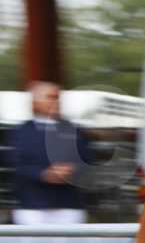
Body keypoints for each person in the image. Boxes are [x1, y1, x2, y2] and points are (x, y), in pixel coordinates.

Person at [3, 81, 90, 225]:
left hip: (69, 206)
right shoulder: (19, 132)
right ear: (34, 102)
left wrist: (72, 171)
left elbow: (87, 162)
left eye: (57, 97)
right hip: (32, 208)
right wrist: (43, 174)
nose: (55, 101)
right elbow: (14, 163)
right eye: (50, 97)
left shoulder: (75, 131)